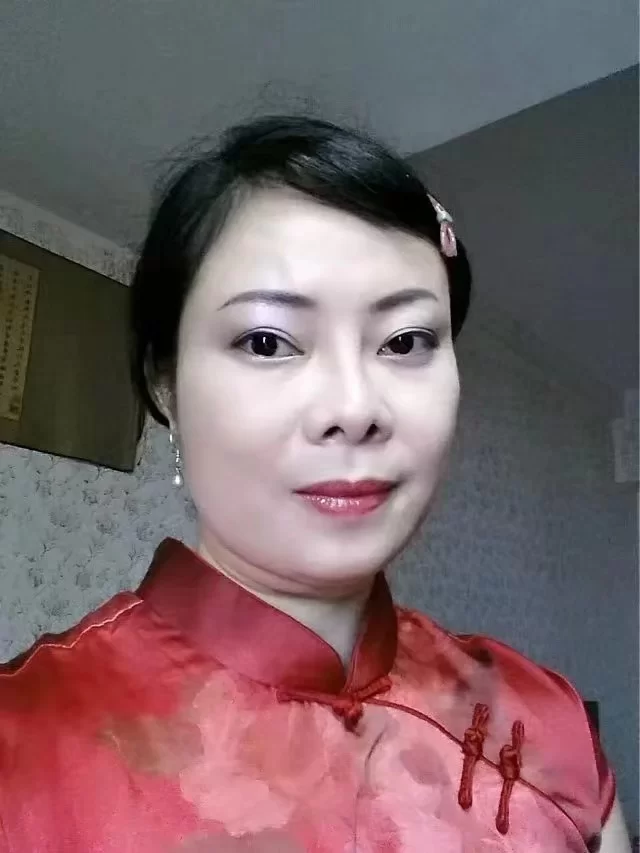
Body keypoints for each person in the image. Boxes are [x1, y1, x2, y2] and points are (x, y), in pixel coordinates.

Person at [0, 116, 630, 852]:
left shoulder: (544, 722)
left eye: (405, 341)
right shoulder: (22, 751)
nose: (354, 409)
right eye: (268, 341)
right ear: (164, 384)